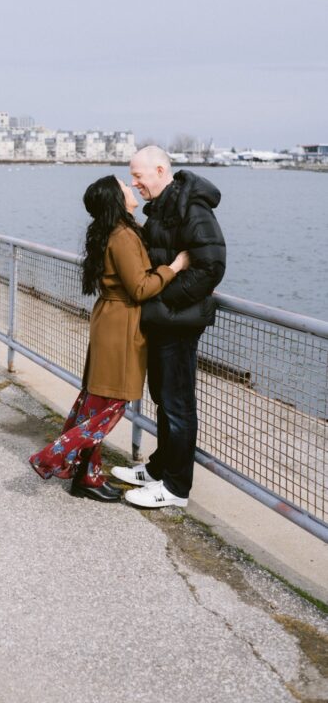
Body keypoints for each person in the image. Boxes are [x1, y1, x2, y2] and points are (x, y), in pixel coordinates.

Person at [29, 174, 189, 502]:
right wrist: (176, 266)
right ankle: (52, 456)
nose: (131, 188)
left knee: (97, 402)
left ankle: (86, 477)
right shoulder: (123, 236)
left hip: (112, 320)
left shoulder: (117, 231)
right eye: (124, 186)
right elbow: (141, 287)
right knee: (110, 404)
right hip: (121, 326)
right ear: (117, 199)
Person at [112, 145, 226, 509]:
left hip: (179, 321)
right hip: (164, 318)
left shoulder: (192, 208)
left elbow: (211, 267)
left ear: (160, 170)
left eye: (139, 176)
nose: (134, 182)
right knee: (163, 398)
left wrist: (165, 299)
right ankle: (160, 468)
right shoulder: (162, 207)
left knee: (177, 404)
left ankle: (176, 488)